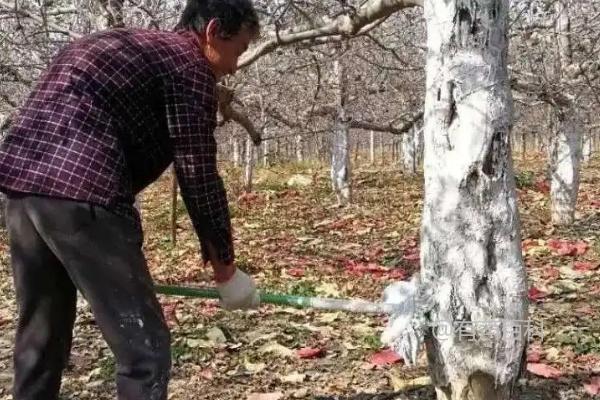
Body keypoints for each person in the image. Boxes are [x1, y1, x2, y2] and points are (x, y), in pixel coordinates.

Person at [0, 0, 261, 398]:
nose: (233, 67)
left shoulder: (125, 44)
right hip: (82, 194)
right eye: (237, 50)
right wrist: (226, 270)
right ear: (211, 32)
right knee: (145, 352)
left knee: (42, 336)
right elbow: (198, 173)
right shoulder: (188, 67)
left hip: (23, 189)